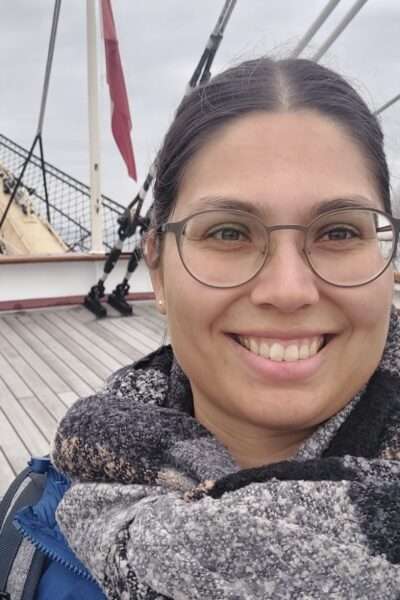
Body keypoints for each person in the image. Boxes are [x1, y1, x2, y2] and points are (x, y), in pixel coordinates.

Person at [15, 55, 400, 599]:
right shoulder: (32, 527)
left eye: (338, 232)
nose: (288, 290)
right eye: (227, 233)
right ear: (158, 268)